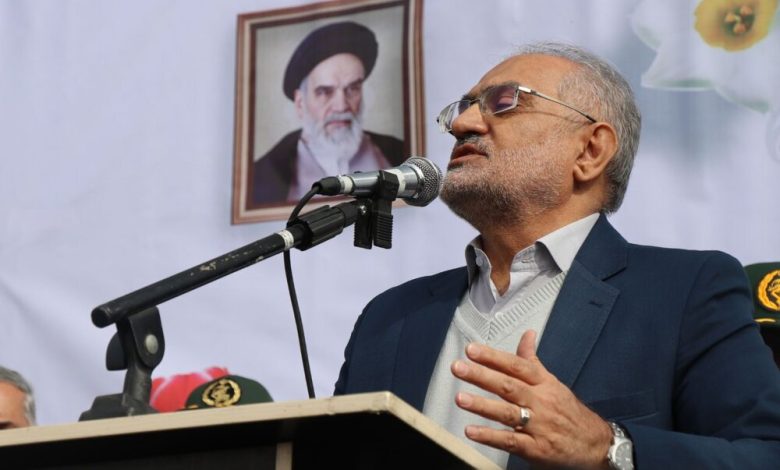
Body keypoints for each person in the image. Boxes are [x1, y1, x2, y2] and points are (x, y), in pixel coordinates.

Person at [334, 42, 780, 469]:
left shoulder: (684, 292)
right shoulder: (389, 318)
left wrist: (609, 448)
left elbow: (765, 456)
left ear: (590, 150)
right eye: (462, 107)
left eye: (504, 101)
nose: (463, 123)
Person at [251, 21, 405, 204]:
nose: (341, 106)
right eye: (325, 92)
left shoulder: (399, 154)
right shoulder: (259, 179)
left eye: (352, 89)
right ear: (300, 103)